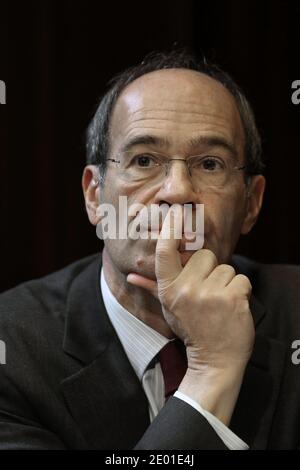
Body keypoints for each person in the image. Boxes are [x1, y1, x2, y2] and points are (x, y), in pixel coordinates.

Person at [0, 50, 299, 450]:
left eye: (210, 164)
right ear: (94, 197)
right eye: (144, 160)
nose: (176, 191)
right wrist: (212, 370)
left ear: (252, 203)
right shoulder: (13, 350)